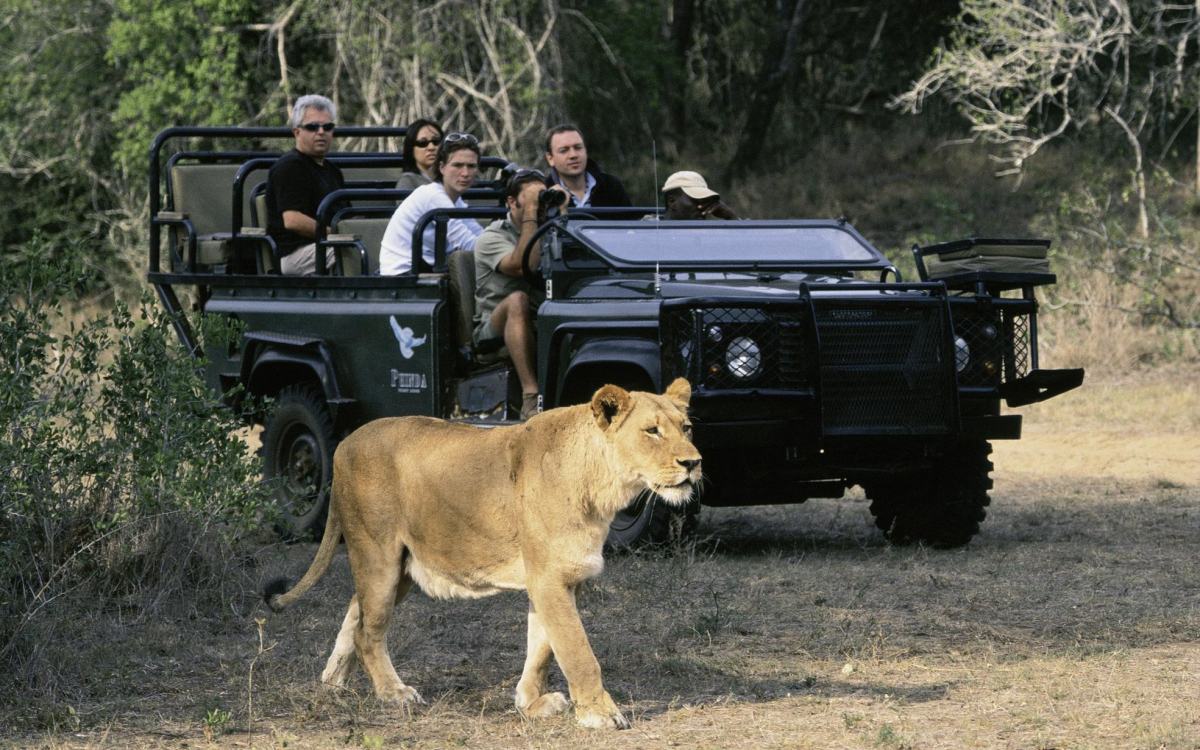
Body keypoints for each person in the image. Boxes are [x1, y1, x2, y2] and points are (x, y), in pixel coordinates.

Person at [472, 169, 557, 421]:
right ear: (512, 201)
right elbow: (524, 266)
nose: (539, 204)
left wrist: (562, 213)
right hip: (495, 328)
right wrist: (531, 215)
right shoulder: (492, 237)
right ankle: (531, 395)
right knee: (517, 300)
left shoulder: (549, 231)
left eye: (543, 197)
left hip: (538, 320)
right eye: (532, 197)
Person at [379, 133, 484, 275]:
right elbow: (466, 243)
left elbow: (478, 234)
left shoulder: (456, 200)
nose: (465, 173)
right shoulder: (433, 196)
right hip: (404, 276)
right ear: (442, 167)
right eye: (458, 165)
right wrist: (504, 255)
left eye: (471, 166)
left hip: (426, 270)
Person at [265, 94, 345, 274]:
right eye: (312, 127)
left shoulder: (332, 170)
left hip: (327, 244)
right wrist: (337, 235)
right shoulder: (290, 167)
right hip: (294, 253)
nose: (321, 132)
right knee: (350, 251)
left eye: (327, 126)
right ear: (297, 132)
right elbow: (293, 220)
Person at [543, 124, 631, 208]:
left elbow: (630, 222)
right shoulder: (544, 193)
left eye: (578, 147)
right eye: (564, 150)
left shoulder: (611, 186)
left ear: (585, 150)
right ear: (550, 159)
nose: (573, 155)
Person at [659, 170, 740, 220]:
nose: (703, 206)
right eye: (696, 200)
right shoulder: (650, 235)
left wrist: (732, 219)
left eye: (706, 201)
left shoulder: (710, 237)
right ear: (672, 202)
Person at [395, 118, 444, 191]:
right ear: (411, 149)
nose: (431, 147)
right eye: (422, 143)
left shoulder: (453, 178)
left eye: (436, 141)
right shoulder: (408, 181)